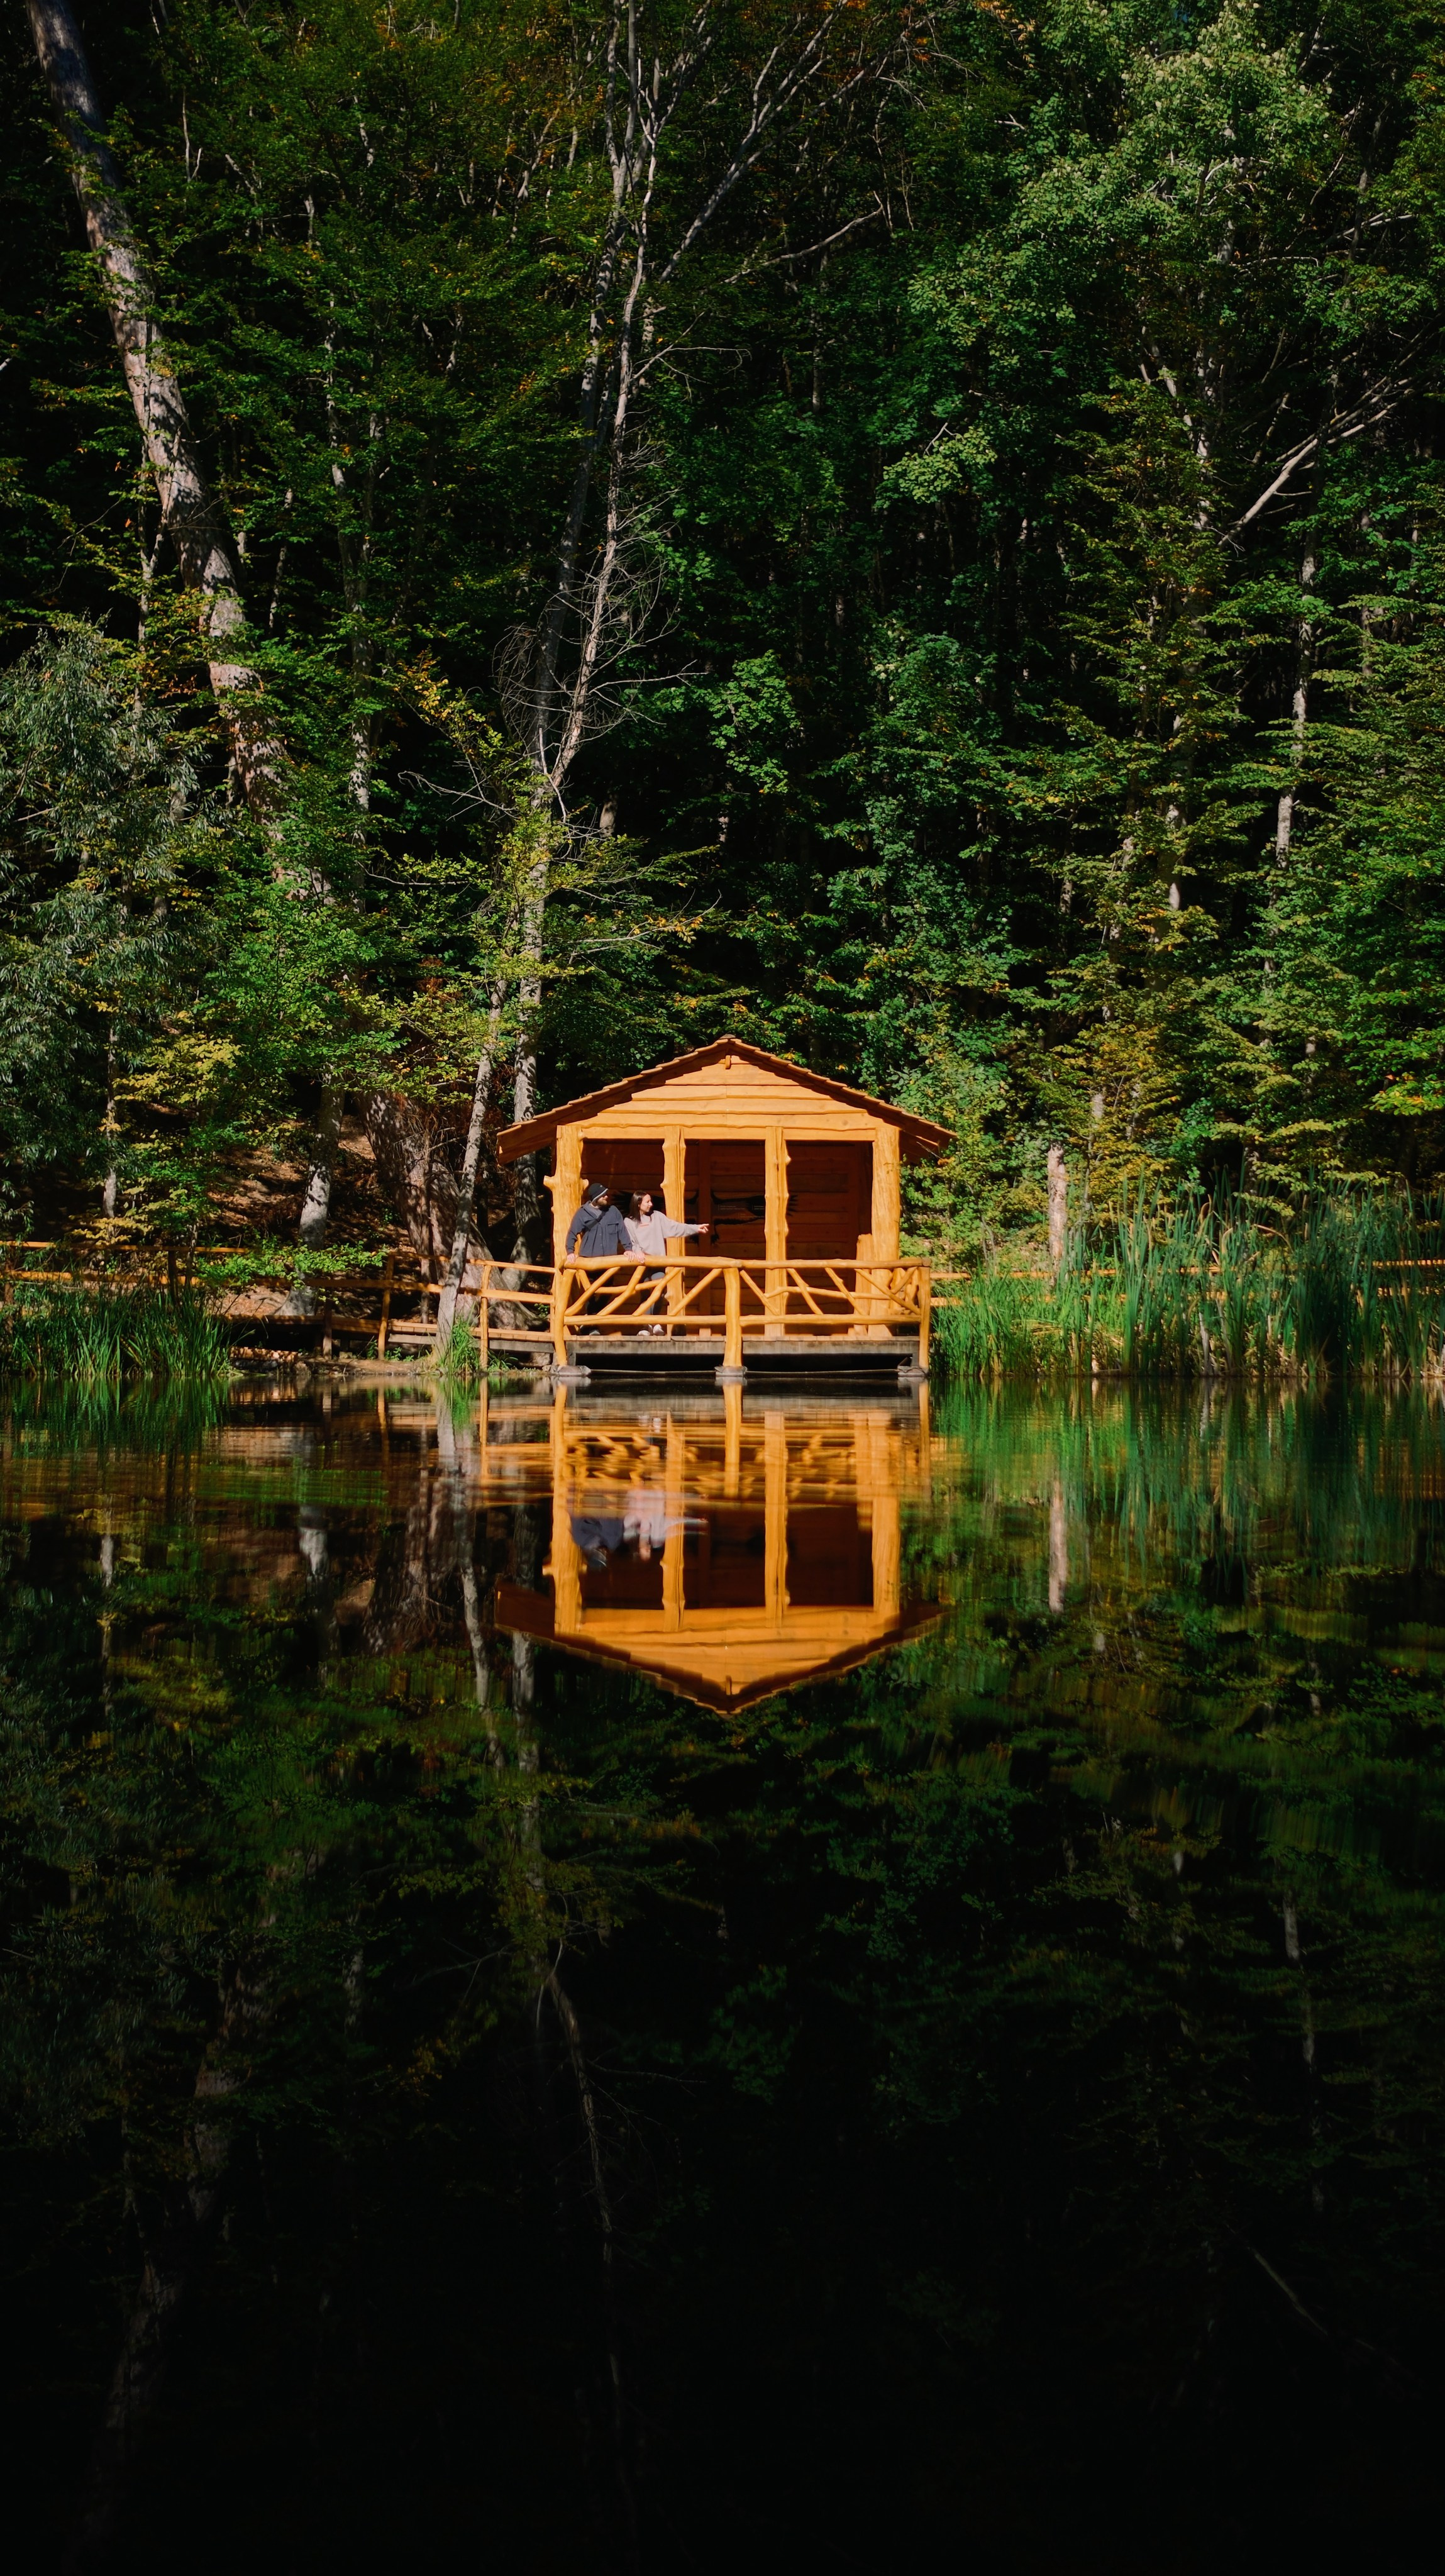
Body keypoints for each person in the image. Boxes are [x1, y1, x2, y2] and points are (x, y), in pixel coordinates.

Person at [624, 1187, 708, 1334]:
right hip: (641, 1264)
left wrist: (696, 1228)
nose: (651, 1204)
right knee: (644, 1293)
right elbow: (631, 1242)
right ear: (638, 1204)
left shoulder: (657, 1217)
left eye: (651, 1201)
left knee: (660, 1292)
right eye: (648, 1201)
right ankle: (645, 1326)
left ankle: (655, 1322)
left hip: (659, 1263)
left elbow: (675, 1228)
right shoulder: (629, 1222)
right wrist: (637, 1252)